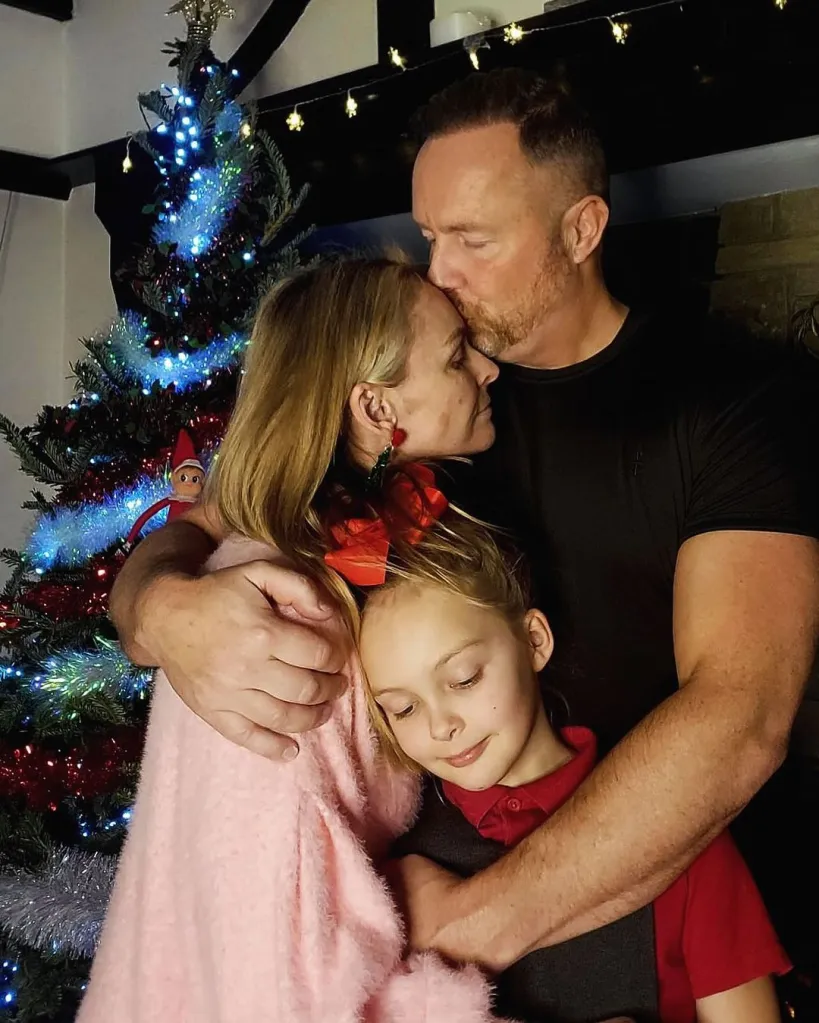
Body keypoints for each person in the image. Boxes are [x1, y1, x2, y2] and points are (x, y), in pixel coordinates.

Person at [109, 69, 819, 970]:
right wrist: (158, 609)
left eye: (473, 239)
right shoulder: (437, 403)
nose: (438, 271)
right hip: (454, 904)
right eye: (431, 234)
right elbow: (211, 515)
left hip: (662, 909)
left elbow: (741, 714)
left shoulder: (734, 398)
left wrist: (468, 923)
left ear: (581, 229)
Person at [78, 257, 510, 1023]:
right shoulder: (280, 613)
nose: (487, 366)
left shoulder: (332, 553)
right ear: (375, 406)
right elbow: (276, 985)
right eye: (454, 355)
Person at [354, 511, 791, 1022]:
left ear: (534, 641)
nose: (439, 726)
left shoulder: (679, 826)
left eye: (464, 678)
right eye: (403, 708)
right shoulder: (389, 872)